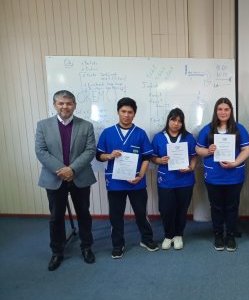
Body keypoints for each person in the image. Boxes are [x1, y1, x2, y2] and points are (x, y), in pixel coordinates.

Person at [35, 90, 96, 271]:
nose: (65, 107)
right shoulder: (43, 125)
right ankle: (57, 252)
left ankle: (86, 247)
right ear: (54, 105)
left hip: (80, 176)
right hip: (54, 178)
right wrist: (62, 170)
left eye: (69, 103)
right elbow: (41, 151)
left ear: (75, 105)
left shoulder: (86, 126)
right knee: (56, 217)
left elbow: (90, 150)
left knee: (84, 214)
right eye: (61, 103)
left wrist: (72, 169)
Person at [96, 97, 158, 259]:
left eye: (130, 112)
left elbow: (146, 157)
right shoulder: (108, 133)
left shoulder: (140, 133)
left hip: (136, 181)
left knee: (140, 212)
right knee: (116, 215)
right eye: (123, 111)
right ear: (118, 112)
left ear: (134, 114)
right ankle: (118, 244)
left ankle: (146, 239)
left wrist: (141, 175)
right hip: (115, 182)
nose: (126, 115)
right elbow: (98, 156)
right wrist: (109, 155)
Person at [196, 98, 249, 251]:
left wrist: (235, 163)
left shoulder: (239, 129)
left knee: (232, 207)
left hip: (234, 176)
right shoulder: (207, 129)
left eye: (226, 109)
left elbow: (247, 150)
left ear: (231, 111)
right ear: (216, 111)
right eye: (220, 109)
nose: (223, 112)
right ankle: (218, 235)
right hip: (213, 177)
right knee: (216, 207)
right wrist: (208, 151)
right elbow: (198, 149)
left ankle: (231, 235)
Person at [151, 108, 197, 250]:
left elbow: (194, 156)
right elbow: (152, 157)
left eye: (179, 121)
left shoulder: (188, 137)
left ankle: (178, 235)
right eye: (173, 120)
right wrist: (160, 160)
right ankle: (168, 235)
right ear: (168, 120)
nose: (176, 123)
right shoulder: (158, 137)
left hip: (185, 180)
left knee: (182, 209)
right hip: (166, 180)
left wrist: (191, 167)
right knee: (166, 209)